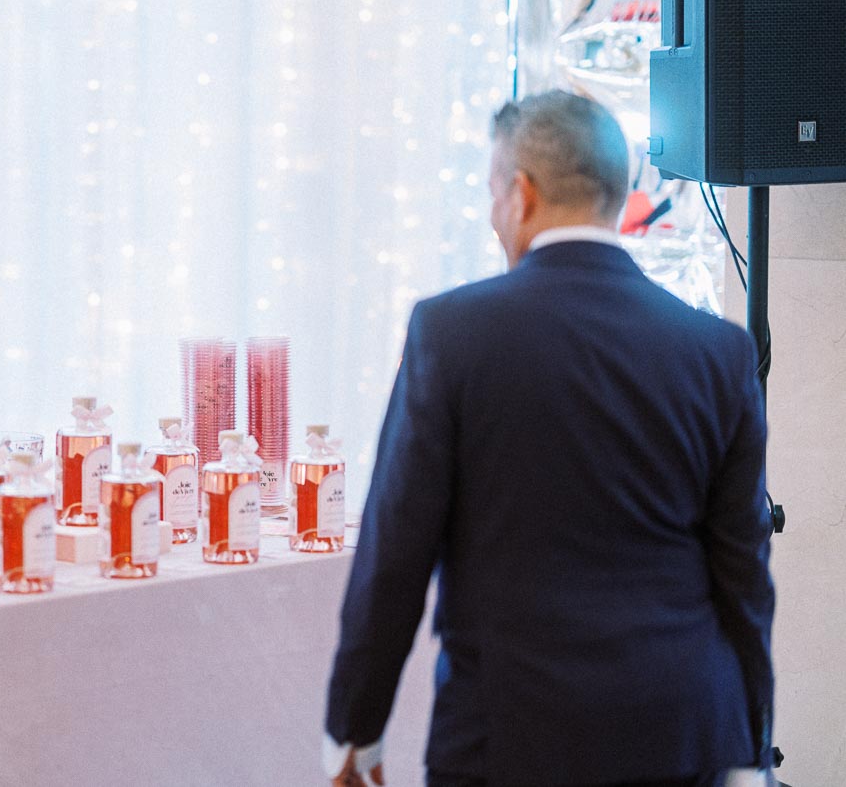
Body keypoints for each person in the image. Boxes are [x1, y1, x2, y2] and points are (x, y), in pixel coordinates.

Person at [324, 91, 774, 786]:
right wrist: (749, 753)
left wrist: (356, 734)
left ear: (520, 194)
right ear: (617, 197)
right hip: (682, 731)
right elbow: (744, 576)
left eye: (490, 193)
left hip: (509, 734)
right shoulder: (718, 351)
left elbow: (394, 555)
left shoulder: (452, 334)